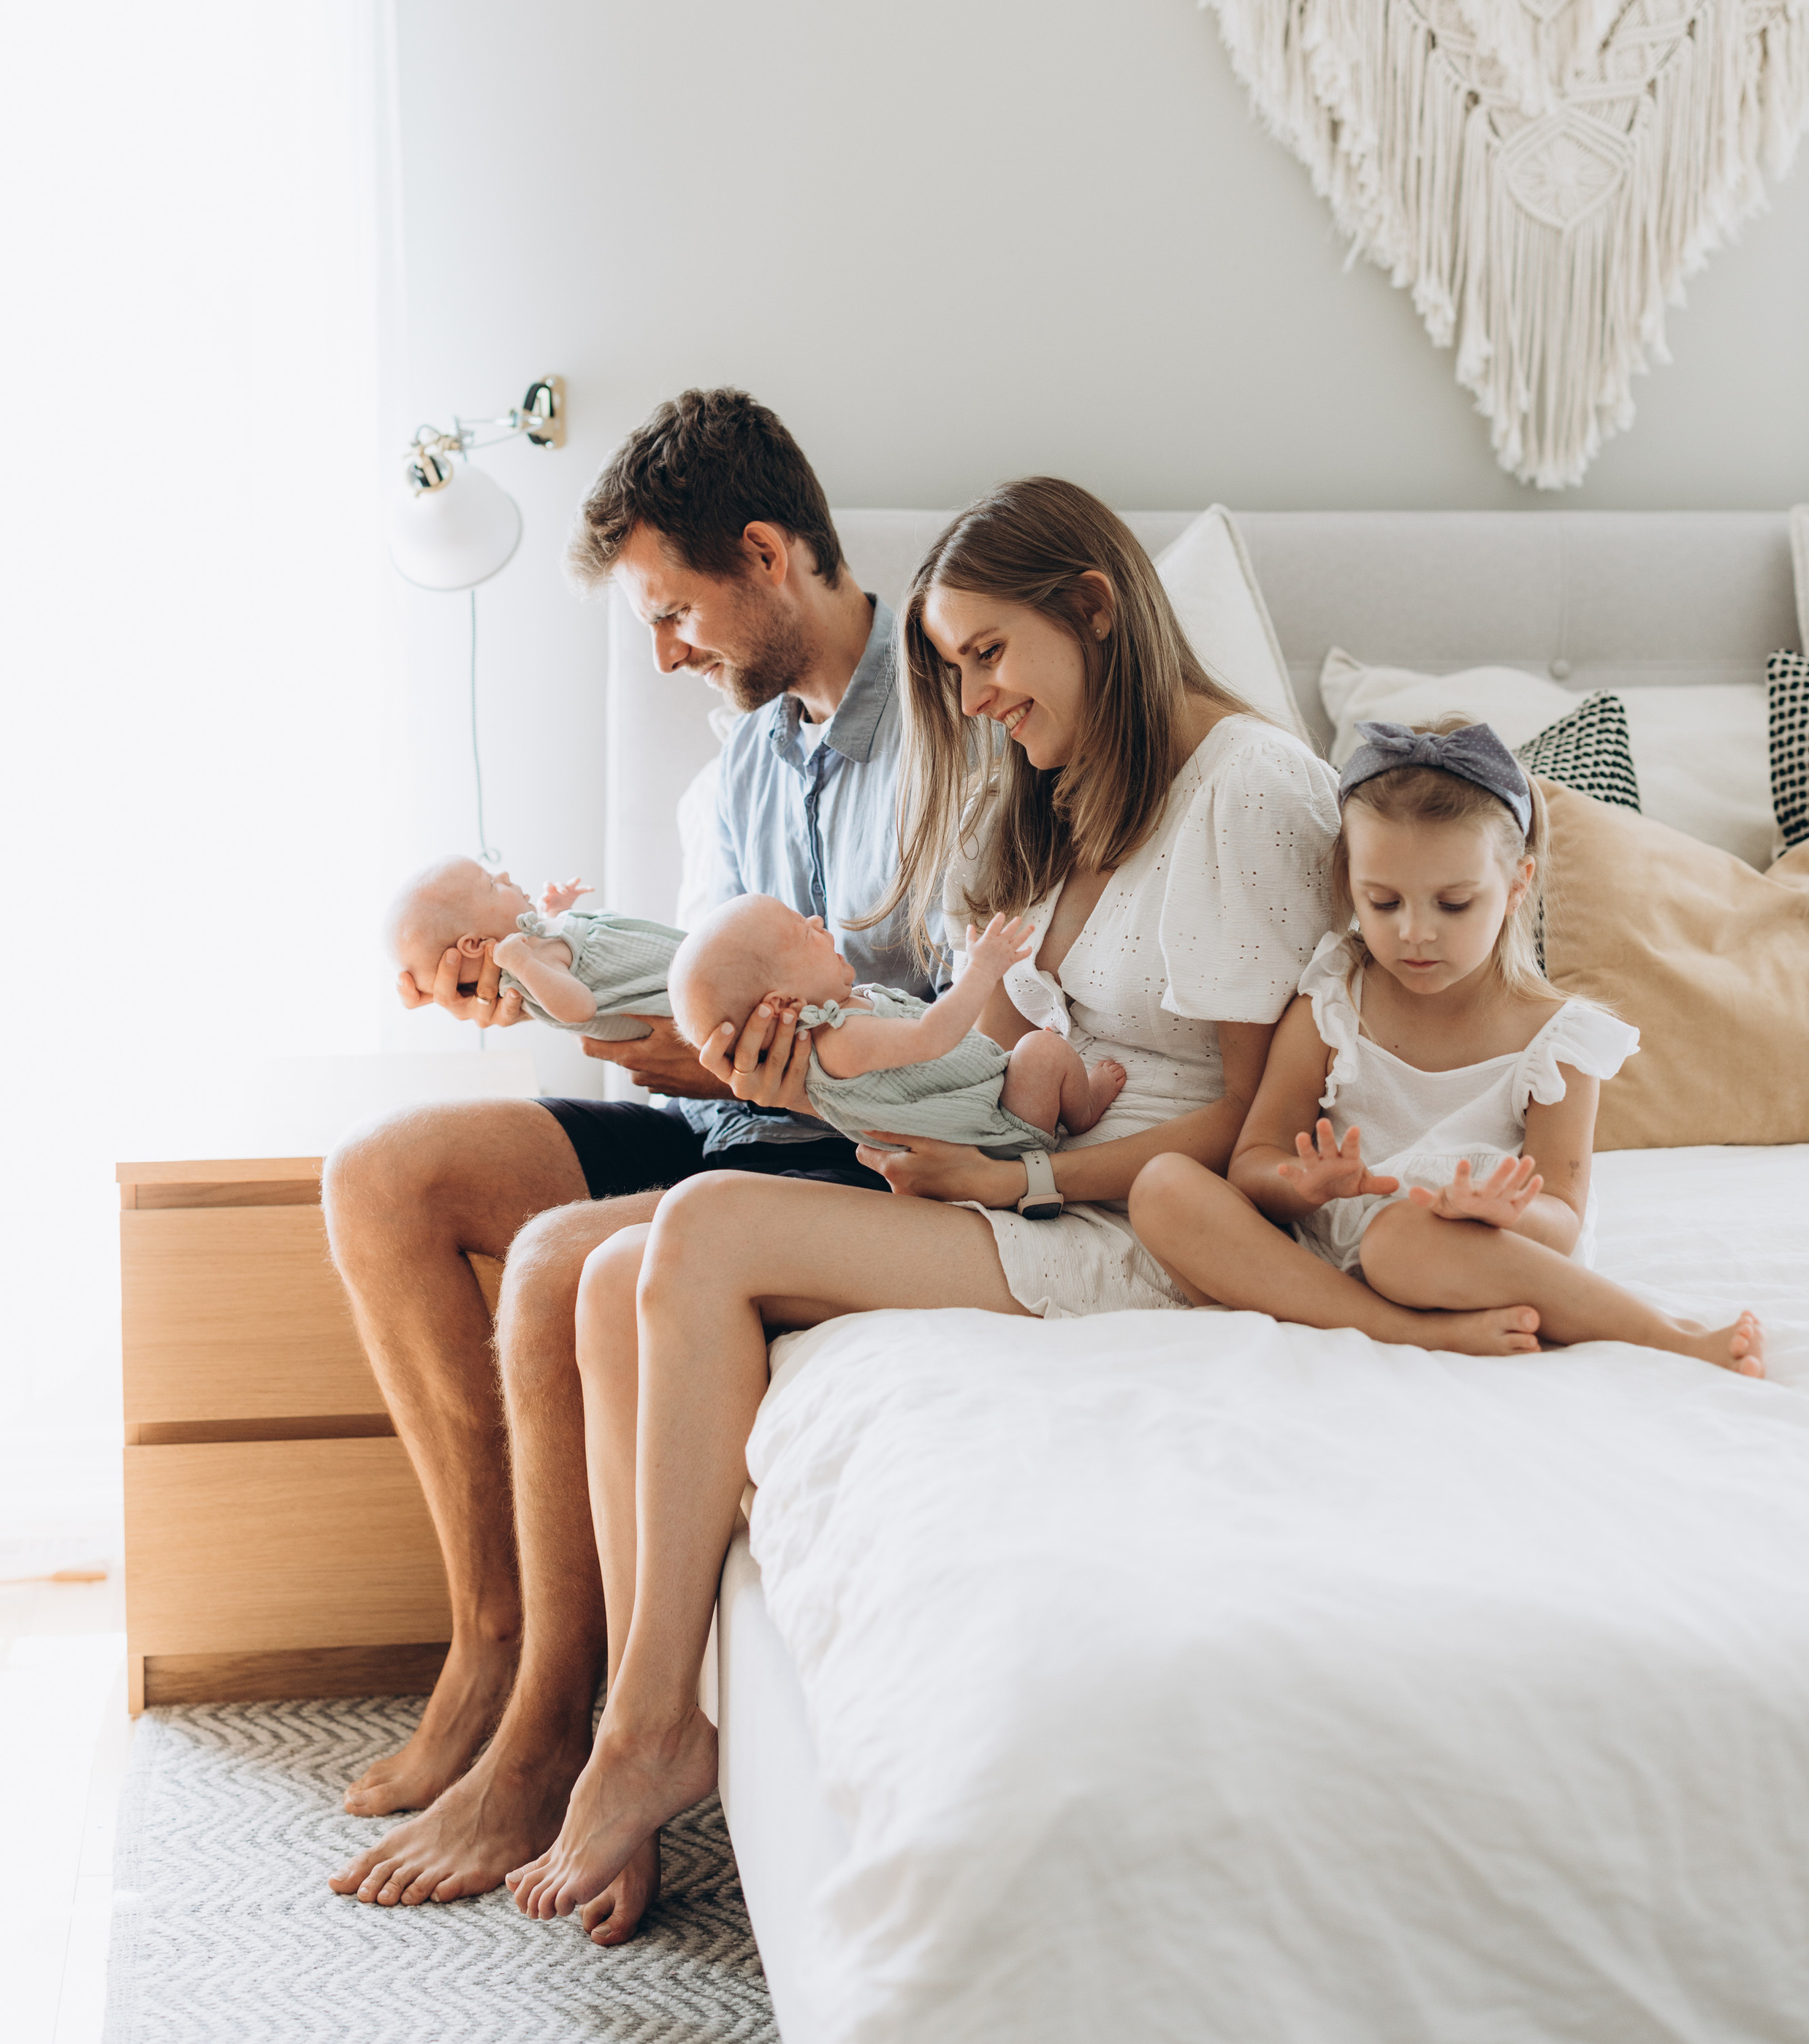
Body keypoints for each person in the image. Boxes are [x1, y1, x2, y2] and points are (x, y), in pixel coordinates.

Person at [499, 475, 1363, 1931]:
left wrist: (1008, 1173)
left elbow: (1235, 1130)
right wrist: (835, 1079)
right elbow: (1004, 1031)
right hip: (1042, 1183)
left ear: (1090, 609)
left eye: (986, 658)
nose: (969, 701)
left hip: (1151, 1224)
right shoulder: (1095, 784)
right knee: (602, 1282)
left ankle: (646, 1736)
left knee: (701, 1231)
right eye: (949, 667)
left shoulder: (1246, 791)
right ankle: (647, 1723)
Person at [327, 390, 938, 1932]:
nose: (662, 652)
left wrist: (772, 1037)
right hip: (725, 1113)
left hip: (848, 1146)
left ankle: (552, 1735)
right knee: (385, 1173)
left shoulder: (952, 722)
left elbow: (951, 1029)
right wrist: (548, 989)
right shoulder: (731, 769)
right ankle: (491, 1640)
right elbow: (693, 1020)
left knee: (552, 1263)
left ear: (764, 555)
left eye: (672, 612)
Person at [1126, 718, 1765, 1374]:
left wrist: (1506, 1214)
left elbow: (1563, 1220)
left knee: (1401, 1241)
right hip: (1323, 1255)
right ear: (1352, 885)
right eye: (1383, 902)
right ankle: (1400, 1329)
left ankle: (1666, 1334)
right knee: (1163, 1188)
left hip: (1462, 1257)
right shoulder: (1332, 1002)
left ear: (1517, 885)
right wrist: (1304, 1184)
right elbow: (1252, 1165)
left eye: (1453, 904)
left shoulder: (1557, 1041)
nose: (1415, 933)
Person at [669, 894, 1127, 1154]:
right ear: (783, 1001)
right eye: (803, 931)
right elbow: (932, 1035)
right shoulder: (842, 1040)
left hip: (989, 1112)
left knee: (1036, 1052)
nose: (817, 920)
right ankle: (1082, 1112)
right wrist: (982, 970)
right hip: (998, 1136)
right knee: (1042, 1051)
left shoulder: (844, 1018)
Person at [387, 859, 679, 1038]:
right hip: (676, 997)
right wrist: (524, 964)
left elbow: (571, 955)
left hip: (678, 958)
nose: (503, 875)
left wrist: (555, 915)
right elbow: (581, 1008)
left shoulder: (536, 944)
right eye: (490, 883)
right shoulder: (527, 977)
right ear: (475, 944)